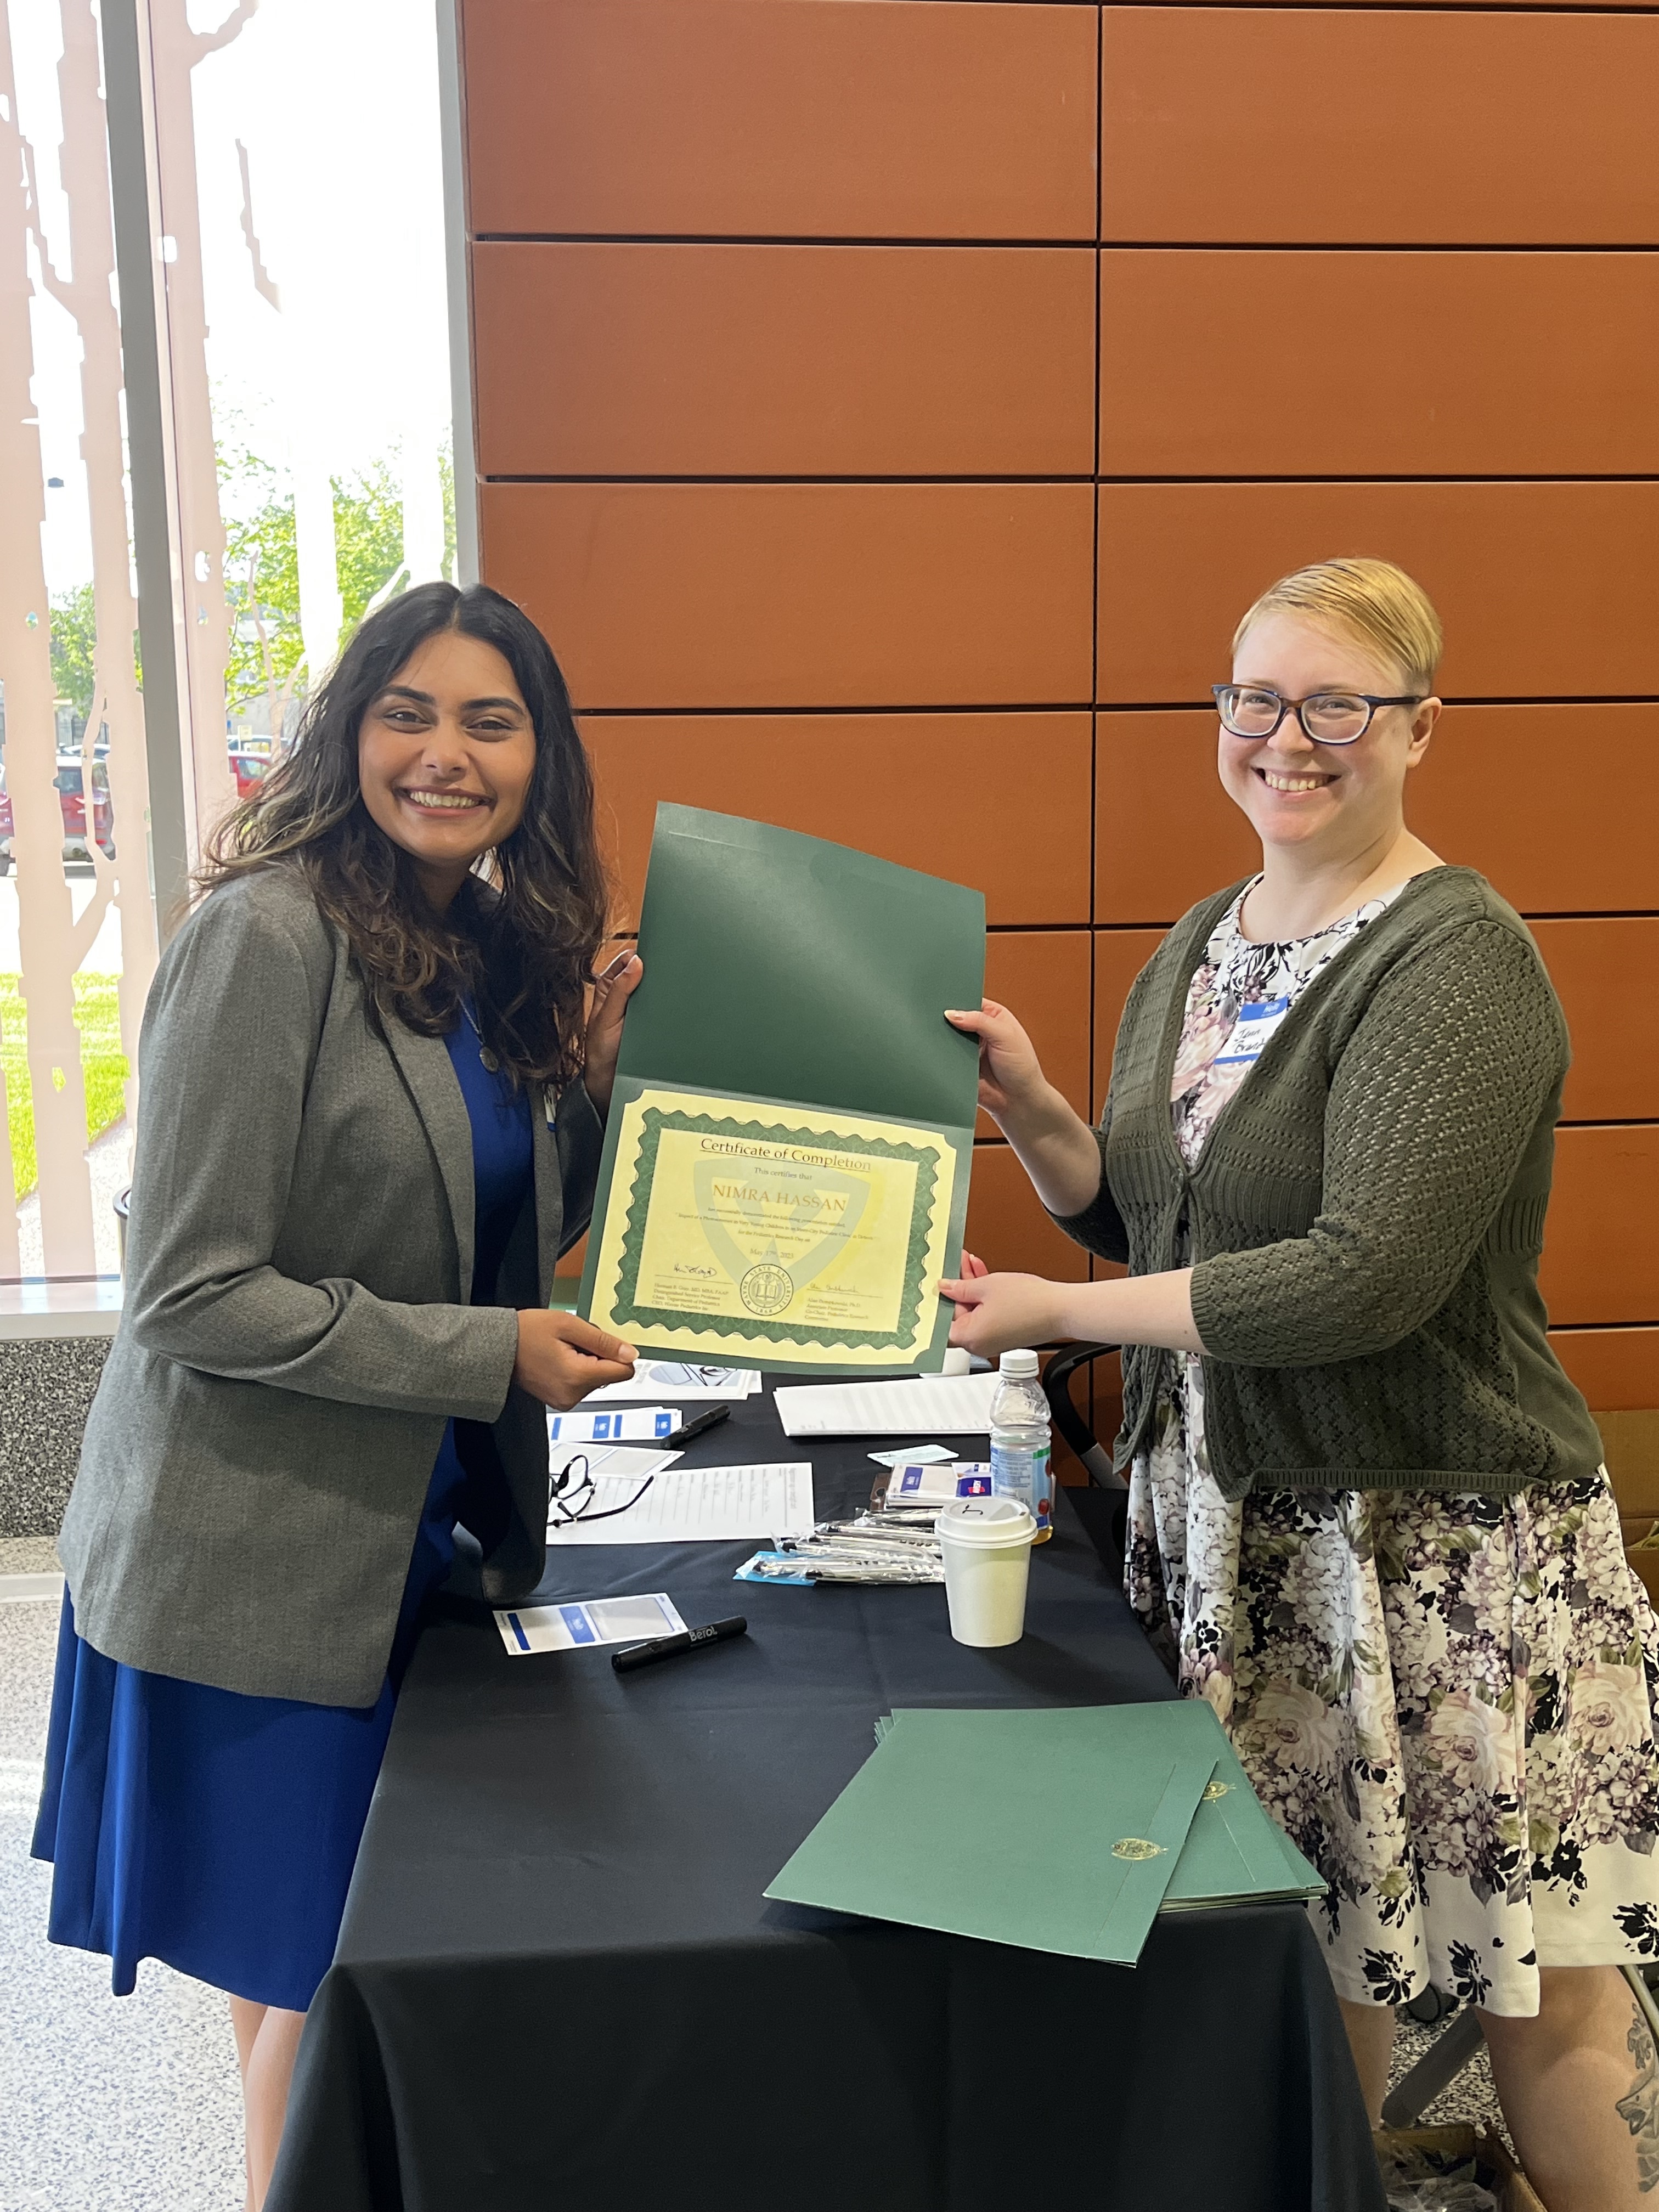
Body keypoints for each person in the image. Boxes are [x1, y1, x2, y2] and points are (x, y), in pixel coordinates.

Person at [941, 558, 1659, 2210]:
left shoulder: (1456, 959)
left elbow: (1360, 1277)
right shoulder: (1206, 940)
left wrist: (1071, 1306)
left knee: (1537, 1998)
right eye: (1257, 698)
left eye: (1339, 703)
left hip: (1438, 1555)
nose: (1291, 737)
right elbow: (1152, 1219)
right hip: (1245, 1541)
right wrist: (1036, 1107)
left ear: (1419, 727)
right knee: (1296, 1958)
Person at [32, 582, 644, 2210]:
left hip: (422, 1544)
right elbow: (189, 1288)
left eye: (491, 722)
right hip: (260, 1562)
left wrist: (578, 1086)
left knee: (331, 1988)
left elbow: (500, 1232)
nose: (446, 754)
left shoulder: (486, 944)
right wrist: (484, 1355)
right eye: (409, 713)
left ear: (540, 758)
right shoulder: (265, 931)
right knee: (311, 1993)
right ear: (348, 730)